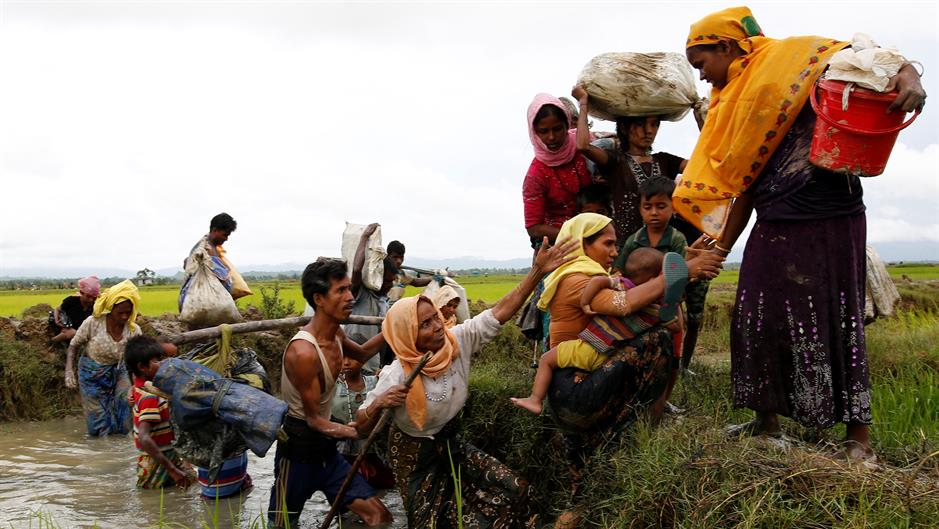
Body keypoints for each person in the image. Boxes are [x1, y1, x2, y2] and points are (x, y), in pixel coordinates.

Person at [676, 6, 925, 460]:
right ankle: (765, 420)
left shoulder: (798, 59)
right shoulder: (735, 100)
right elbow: (747, 184)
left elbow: (875, 56)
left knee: (839, 317)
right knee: (755, 316)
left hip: (831, 214)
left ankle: (857, 438)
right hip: (775, 219)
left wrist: (909, 79)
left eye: (702, 65)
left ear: (726, 46)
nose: (705, 79)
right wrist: (721, 243)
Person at [354, 236, 579, 529]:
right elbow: (359, 426)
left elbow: (499, 313)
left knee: (515, 489)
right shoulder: (398, 374)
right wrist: (380, 403)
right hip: (413, 455)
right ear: (407, 335)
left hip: (449, 442)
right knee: (428, 523)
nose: (437, 326)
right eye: (425, 324)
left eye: (435, 317)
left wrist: (536, 272)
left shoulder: (457, 341)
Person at [532, 213, 721, 526]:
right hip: (576, 390)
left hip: (570, 386)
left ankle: (579, 506)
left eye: (616, 244)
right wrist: (682, 271)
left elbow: (644, 285)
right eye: (607, 243)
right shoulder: (577, 278)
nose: (614, 251)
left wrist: (682, 262)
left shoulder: (585, 273)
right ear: (582, 244)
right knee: (658, 337)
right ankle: (640, 430)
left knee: (584, 477)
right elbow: (625, 304)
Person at [574, 86, 713, 374]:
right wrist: (583, 103)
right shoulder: (614, 161)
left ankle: (674, 370)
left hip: (665, 251)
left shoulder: (665, 160)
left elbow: (705, 164)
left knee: (670, 314)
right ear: (625, 127)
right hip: (629, 253)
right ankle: (631, 373)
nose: (649, 131)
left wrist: (703, 119)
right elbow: (584, 146)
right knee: (632, 315)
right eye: (642, 124)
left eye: (654, 125)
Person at [267, 258, 392, 528]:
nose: (350, 297)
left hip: (327, 451)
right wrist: (357, 430)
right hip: (298, 452)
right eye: (341, 291)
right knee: (281, 525)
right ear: (319, 298)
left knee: (379, 517)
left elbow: (363, 353)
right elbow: (314, 420)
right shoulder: (304, 352)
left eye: (350, 289)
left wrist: (393, 325)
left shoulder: (336, 335)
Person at [511, 247, 686, 415]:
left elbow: (597, 281)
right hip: (611, 357)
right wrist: (674, 301)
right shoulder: (655, 308)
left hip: (590, 347)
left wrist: (586, 302)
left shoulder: (623, 286)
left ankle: (535, 399)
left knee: (546, 359)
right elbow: (677, 327)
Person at [64, 279, 142, 436]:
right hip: (91, 373)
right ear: (111, 309)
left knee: (124, 404)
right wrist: (69, 371)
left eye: (128, 312)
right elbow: (74, 345)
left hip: (119, 371)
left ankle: (119, 448)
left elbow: (138, 358)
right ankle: (100, 449)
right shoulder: (93, 323)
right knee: (98, 418)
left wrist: (137, 385)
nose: (125, 316)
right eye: (121, 312)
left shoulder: (133, 330)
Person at [522, 93, 595, 249]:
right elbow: (534, 227)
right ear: (534, 132)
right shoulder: (536, 174)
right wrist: (577, 235)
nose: (551, 137)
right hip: (561, 244)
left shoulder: (586, 145)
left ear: (567, 125)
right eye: (543, 131)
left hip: (599, 234)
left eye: (557, 129)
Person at [126, 335, 194, 489]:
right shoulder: (150, 396)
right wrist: (173, 470)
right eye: (158, 361)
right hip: (157, 461)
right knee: (154, 503)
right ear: (143, 367)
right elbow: (144, 438)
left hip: (164, 454)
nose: (165, 364)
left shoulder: (145, 386)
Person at [330, 355, 394, 489]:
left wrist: (386, 377)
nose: (346, 363)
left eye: (352, 357)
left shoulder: (377, 381)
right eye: (342, 358)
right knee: (346, 490)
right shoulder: (331, 385)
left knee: (382, 489)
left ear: (363, 359)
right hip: (344, 451)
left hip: (375, 450)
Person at [343, 223, 399, 374]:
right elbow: (356, 270)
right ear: (378, 278)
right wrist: (364, 238)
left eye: (392, 281)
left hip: (373, 367)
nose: (390, 285)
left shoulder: (383, 302)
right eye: (387, 281)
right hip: (353, 365)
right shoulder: (361, 294)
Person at [179, 212, 243, 311]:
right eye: (225, 235)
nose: (226, 239)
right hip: (198, 302)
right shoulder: (204, 249)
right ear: (215, 230)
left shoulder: (213, 248)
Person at [50, 276, 99, 343]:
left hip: (77, 331)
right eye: (88, 296)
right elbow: (57, 309)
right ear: (81, 292)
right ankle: (52, 342)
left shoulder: (93, 306)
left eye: (94, 298)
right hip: (64, 327)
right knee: (71, 333)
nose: (91, 300)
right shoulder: (71, 301)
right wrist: (56, 321)